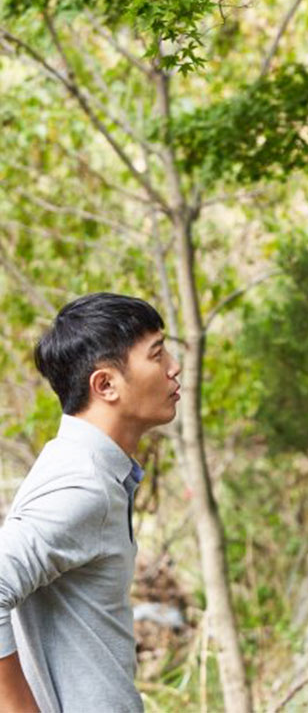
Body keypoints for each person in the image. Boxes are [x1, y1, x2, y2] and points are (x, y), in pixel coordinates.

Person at [0, 293, 180, 712]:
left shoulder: (85, 468)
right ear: (105, 385)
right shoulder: (82, 486)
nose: (174, 366)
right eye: (157, 354)